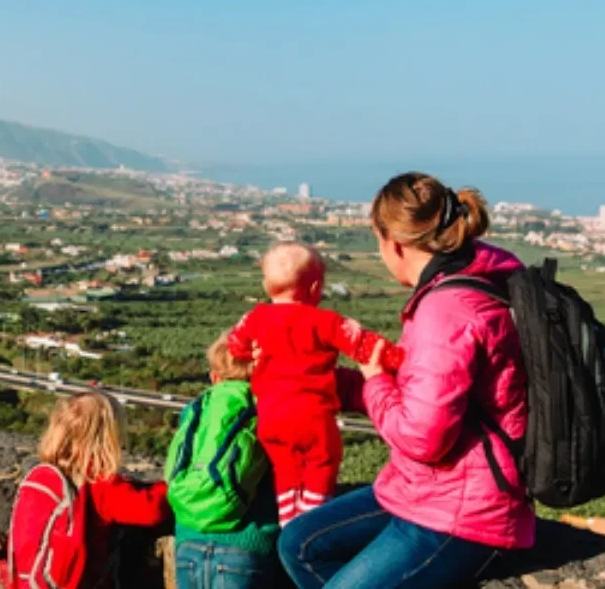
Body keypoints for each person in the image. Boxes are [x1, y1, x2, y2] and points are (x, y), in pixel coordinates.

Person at [277, 172, 535, 589]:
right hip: (429, 489)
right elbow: (432, 395)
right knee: (300, 544)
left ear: (391, 242)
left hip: (464, 510)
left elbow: (423, 439)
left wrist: (374, 379)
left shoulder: (446, 311)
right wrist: (328, 382)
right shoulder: (469, 281)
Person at [227, 242, 403, 526]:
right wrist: (403, 361)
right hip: (311, 415)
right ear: (314, 288)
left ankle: (289, 521)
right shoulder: (324, 321)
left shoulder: (255, 317)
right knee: (322, 461)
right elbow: (367, 346)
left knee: (286, 467)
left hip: (270, 417)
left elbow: (235, 345)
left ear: (265, 285)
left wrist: (252, 353)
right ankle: (313, 518)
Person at [4, 392, 170, 589]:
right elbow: (149, 511)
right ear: (108, 438)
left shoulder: (46, 475)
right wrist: (169, 486)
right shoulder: (100, 483)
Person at [168, 334, 281, 589]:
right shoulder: (269, 410)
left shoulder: (196, 410)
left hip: (187, 545)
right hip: (244, 548)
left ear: (214, 377)